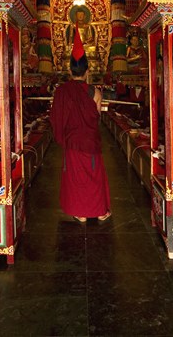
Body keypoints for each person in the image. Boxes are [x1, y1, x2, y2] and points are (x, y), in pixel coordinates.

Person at [49, 26, 111, 222]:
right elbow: (97, 116)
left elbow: (55, 117)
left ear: (70, 70)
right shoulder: (96, 93)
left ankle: (80, 211)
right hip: (90, 141)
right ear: (87, 70)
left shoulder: (61, 91)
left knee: (75, 176)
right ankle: (100, 211)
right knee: (94, 174)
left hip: (73, 141)